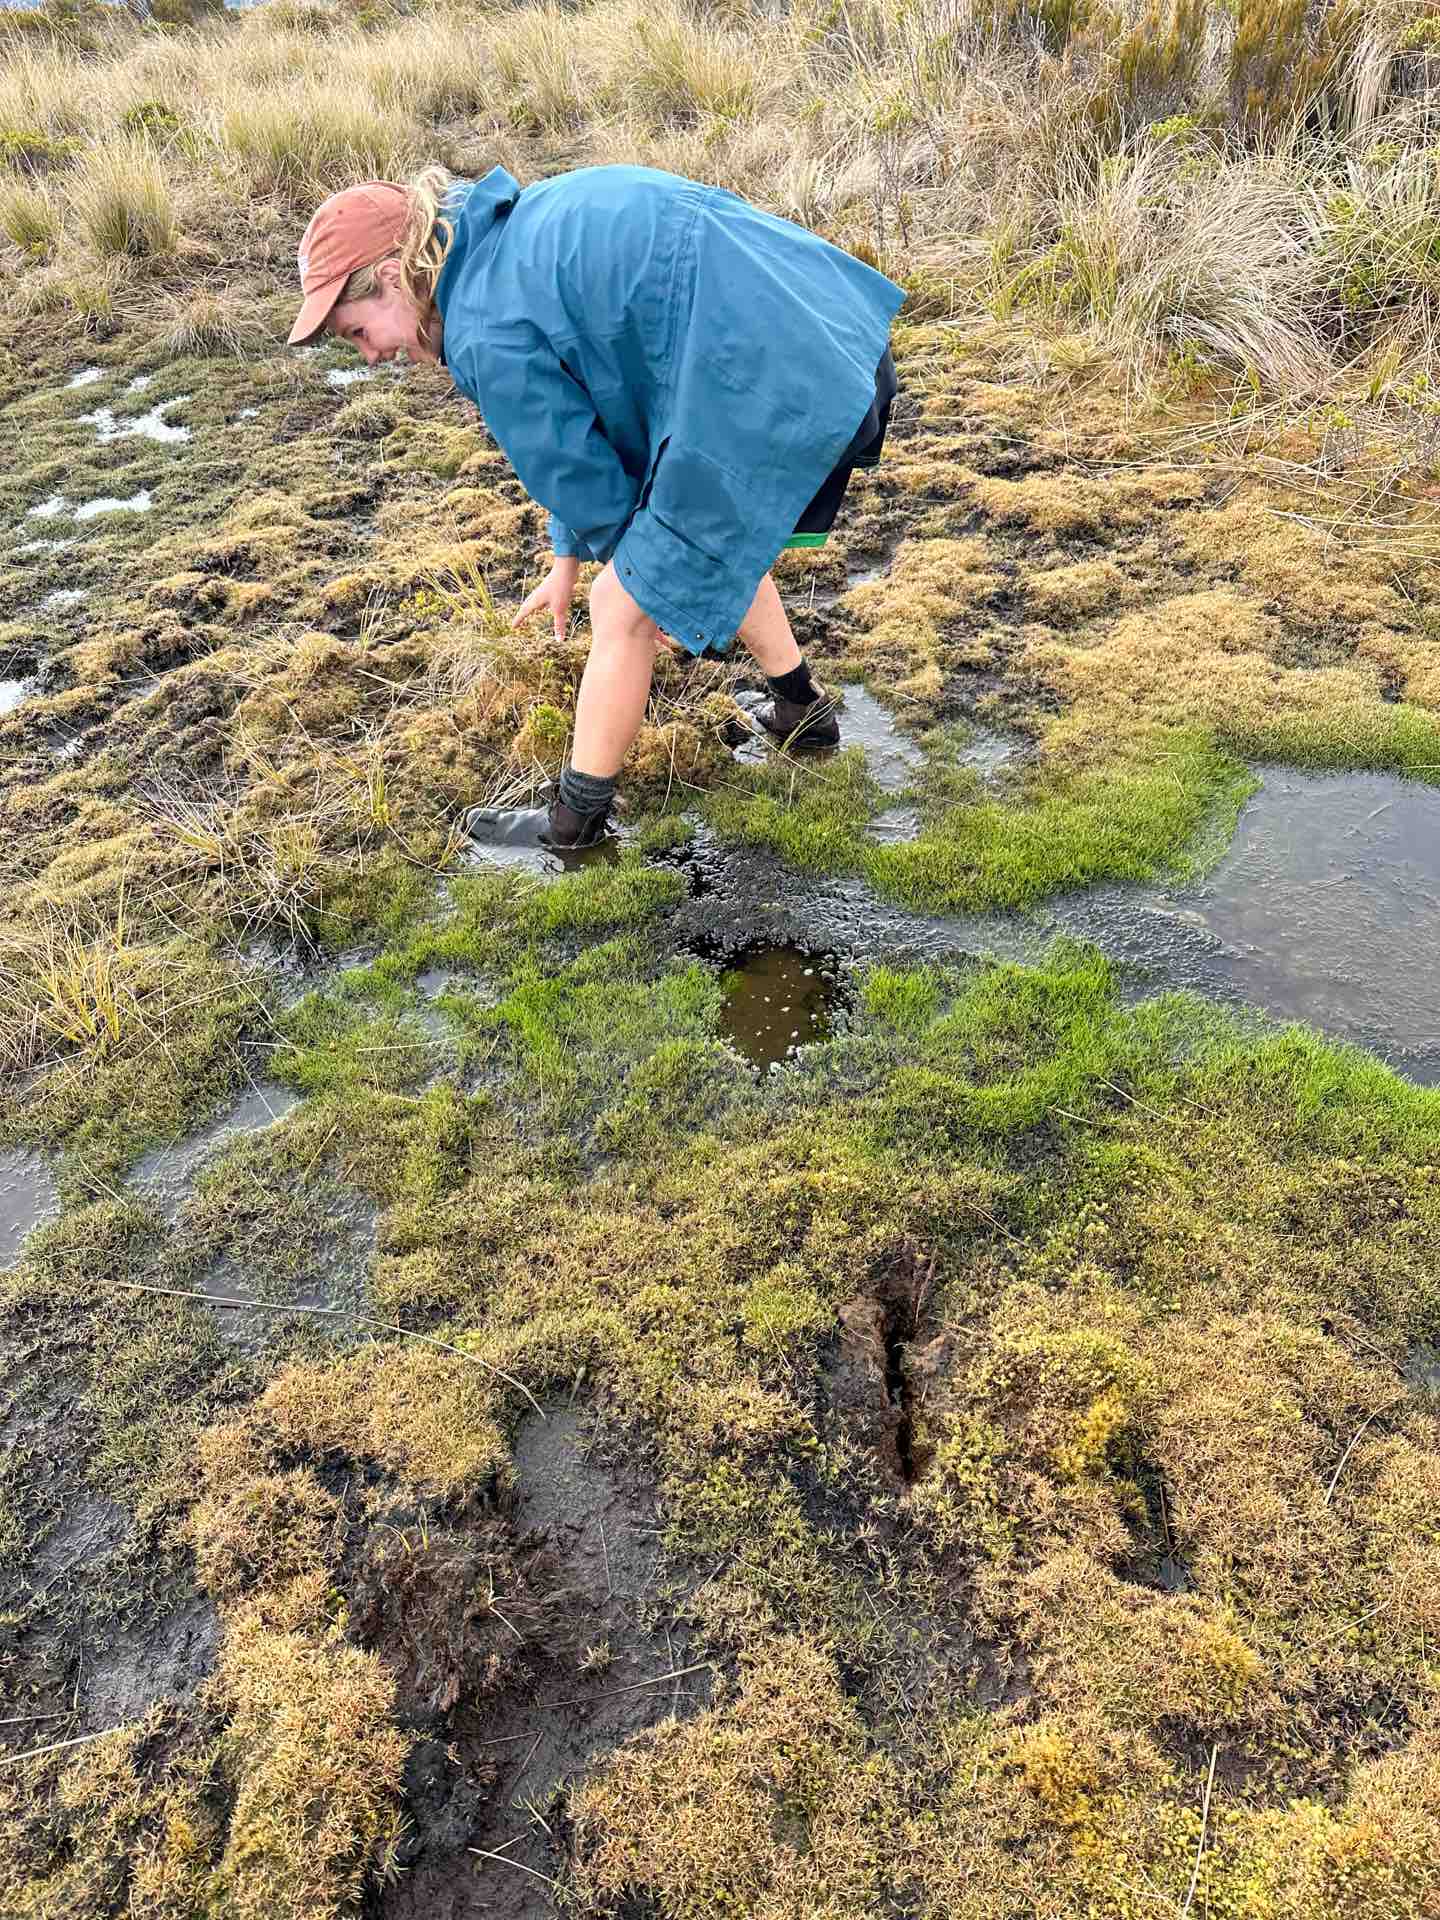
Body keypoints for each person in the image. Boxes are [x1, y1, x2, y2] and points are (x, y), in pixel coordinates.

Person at [288, 163, 904, 850]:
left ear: (393, 276)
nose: (369, 356)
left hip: (773, 371)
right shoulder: (498, 244)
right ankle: (801, 710)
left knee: (625, 599)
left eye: (357, 332)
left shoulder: (485, 329)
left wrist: (640, 583)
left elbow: (578, 470)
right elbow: (587, 420)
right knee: (695, 531)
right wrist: (567, 557)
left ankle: (573, 824)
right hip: (821, 327)